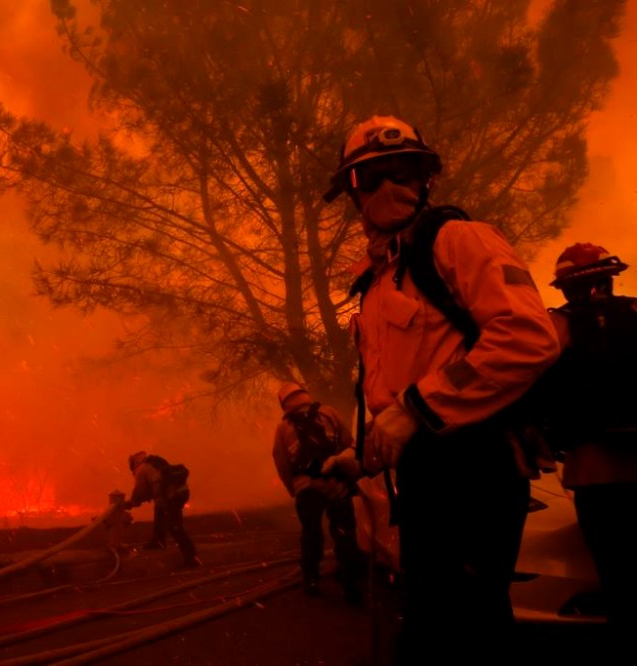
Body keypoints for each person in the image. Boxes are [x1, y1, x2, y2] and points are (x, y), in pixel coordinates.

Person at [320, 115, 561, 664]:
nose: (388, 189)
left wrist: (419, 407)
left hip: (473, 469)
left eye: (402, 172)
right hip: (424, 474)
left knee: (466, 629)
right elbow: (394, 390)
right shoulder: (378, 281)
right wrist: (360, 459)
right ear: (352, 195)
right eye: (369, 179)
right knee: (432, 626)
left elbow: (527, 337)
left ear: (426, 179)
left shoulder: (459, 240)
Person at [544, 242, 637, 647]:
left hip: (595, 473)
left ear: (567, 288)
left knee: (618, 578)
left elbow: (531, 384)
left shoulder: (556, 326)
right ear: (609, 278)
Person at [272, 382, 364, 603]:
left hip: (306, 487)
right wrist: (349, 475)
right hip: (336, 482)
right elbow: (347, 444)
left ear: (284, 403)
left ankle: (311, 578)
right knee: (344, 532)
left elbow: (281, 460)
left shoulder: (284, 426)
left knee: (311, 533)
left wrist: (293, 487)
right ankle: (350, 583)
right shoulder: (329, 413)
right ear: (304, 394)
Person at [123, 451, 201, 568]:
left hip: (171, 496)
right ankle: (158, 541)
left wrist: (129, 504)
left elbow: (140, 493)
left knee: (174, 527)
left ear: (133, 463)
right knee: (160, 511)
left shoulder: (141, 470)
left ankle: (191, 558)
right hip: (181, 493)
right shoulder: (155, 463)